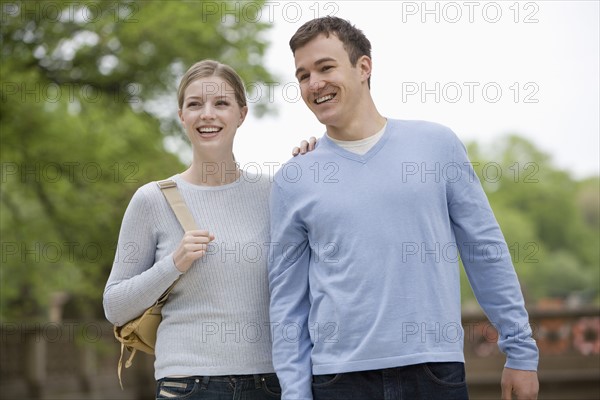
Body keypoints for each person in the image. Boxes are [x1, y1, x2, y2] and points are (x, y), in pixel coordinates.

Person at [267, 17, 539, 400]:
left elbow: (485, 251)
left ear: (364, 67)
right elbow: (287, 301)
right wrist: (294, 393)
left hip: (433, 373)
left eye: (326, 67)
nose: (314, 84)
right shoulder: (294, 178)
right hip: (338, 381)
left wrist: (521, 352)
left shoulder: (436, 145)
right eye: (303, 75)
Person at [104, 60, 313, 400]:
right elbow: (114, 305)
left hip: (269, 383)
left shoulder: (275, 193)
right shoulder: (152, 200)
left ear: (242, 114)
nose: (208, 114)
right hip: (187, 385)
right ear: (181, 115)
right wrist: (174, 263)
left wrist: (315, 167)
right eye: (195, 104)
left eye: (221, 103)